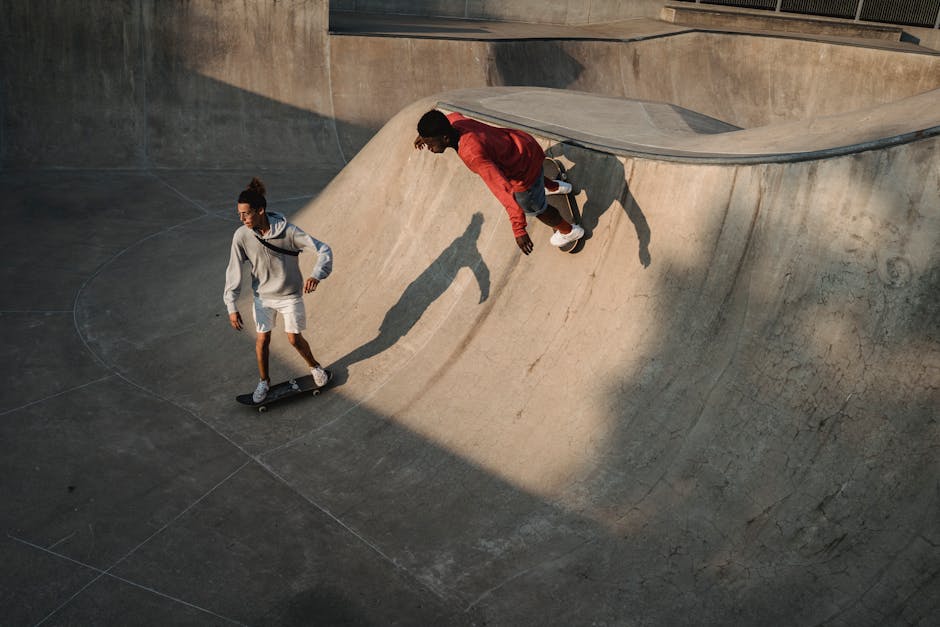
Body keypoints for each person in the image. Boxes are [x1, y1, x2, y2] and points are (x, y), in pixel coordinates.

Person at [414, 109, 584, 255]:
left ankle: (569, 231)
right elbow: (450, 116)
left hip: (522, 173)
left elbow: (503, 190)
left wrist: (519, 229)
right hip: (524, 145)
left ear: (445, 138)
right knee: (531, 178)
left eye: (430, 143)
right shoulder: (455, 122)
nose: (429, 148)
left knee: (535, 207)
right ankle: (556, 186)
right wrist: (425, 135)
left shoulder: (472, 154)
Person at [223, 178, 333, 402]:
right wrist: (231, 306)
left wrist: (316, 275)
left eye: (246, 214)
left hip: (289, 296)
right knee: (262, 341)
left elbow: (323, 249)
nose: (242, 219)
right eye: (239, 214)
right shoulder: (241, 236)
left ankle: (315, 367)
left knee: (294, 339)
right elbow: (232, 272)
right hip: (262, 297)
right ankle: (264, 382)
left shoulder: (288, 232)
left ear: (260, 210)